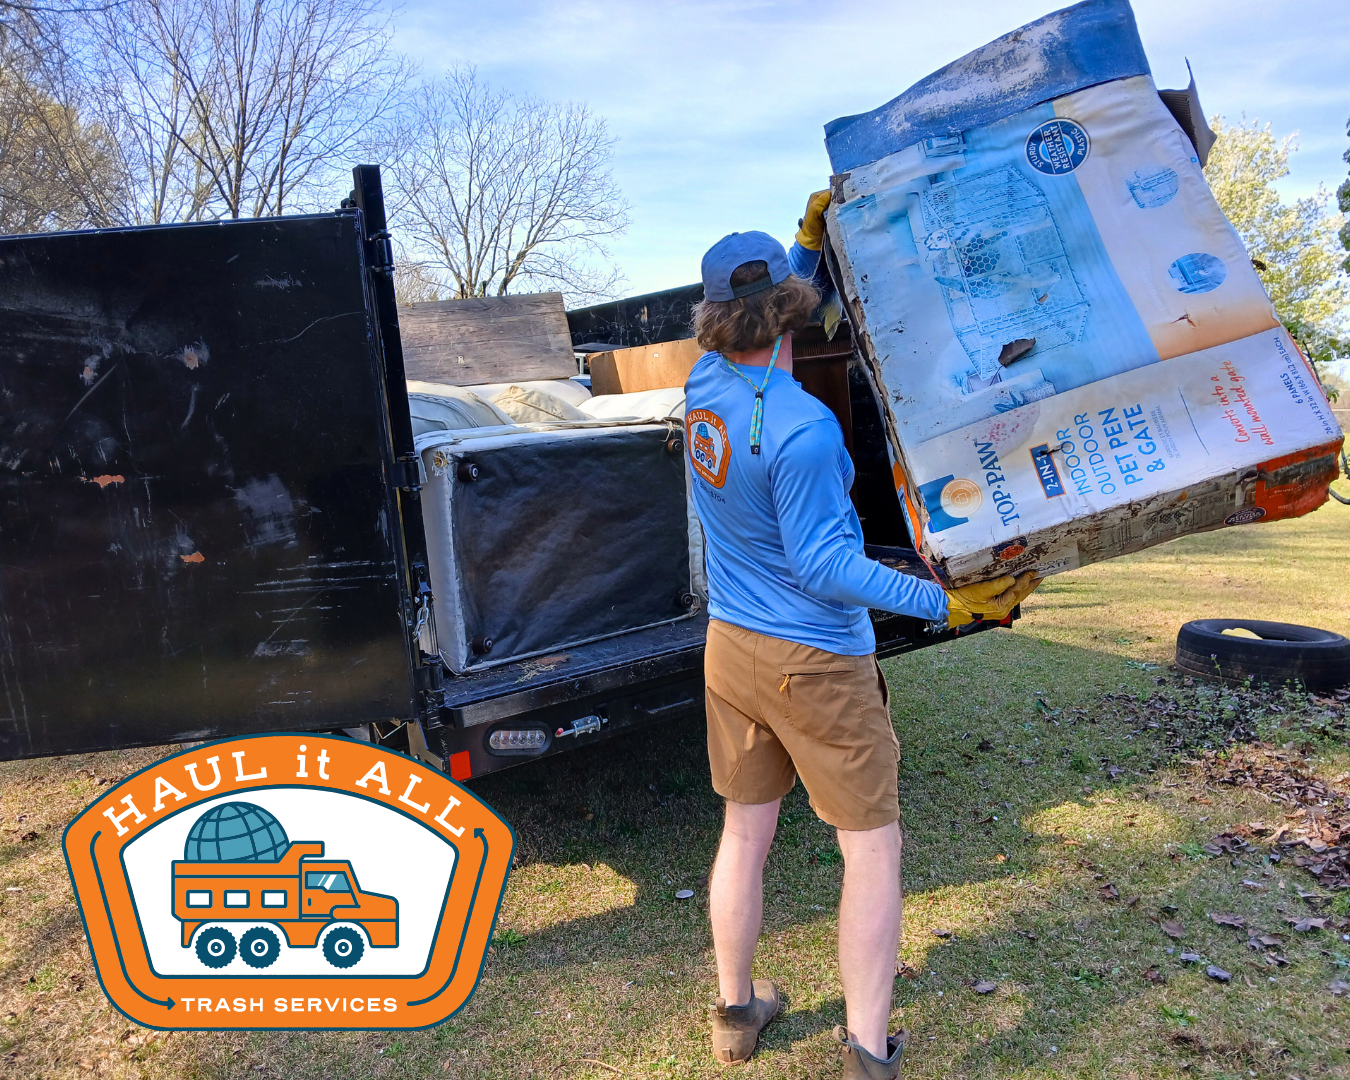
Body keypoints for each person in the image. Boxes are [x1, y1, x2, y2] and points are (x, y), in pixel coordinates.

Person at [685, 191, 1039, 1078]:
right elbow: (826, 568)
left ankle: (736, 1011)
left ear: (714, 319)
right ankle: (868, 1054)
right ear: (790, 313)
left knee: (744, 835)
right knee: (872, 849)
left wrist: (806, 250)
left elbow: (761, 315)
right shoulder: (804, 429)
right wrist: (943, 603)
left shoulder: (702, 388)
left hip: (731, 649)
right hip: (813, 661)